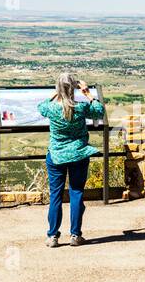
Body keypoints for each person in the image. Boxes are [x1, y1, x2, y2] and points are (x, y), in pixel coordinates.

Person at [38, 73, 106, 246]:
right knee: (76, 193)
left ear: (59, 88)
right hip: (78, 155)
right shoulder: (81, 108)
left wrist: (57, 92)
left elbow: (41, 106)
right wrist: (87, 93)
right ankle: (75, 235)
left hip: (56, 155)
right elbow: (99, 110)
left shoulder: (52, 108)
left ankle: (52, 236)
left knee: (56, 196)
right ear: (74, 88)